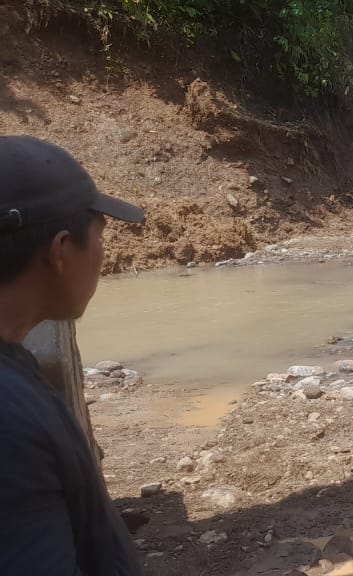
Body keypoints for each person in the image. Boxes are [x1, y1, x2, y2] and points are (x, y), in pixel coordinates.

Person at [0, 135, 146, 575]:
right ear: (61, 251)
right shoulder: (10, 426)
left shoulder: (14, 373)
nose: (102, 256)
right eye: (100, 238)